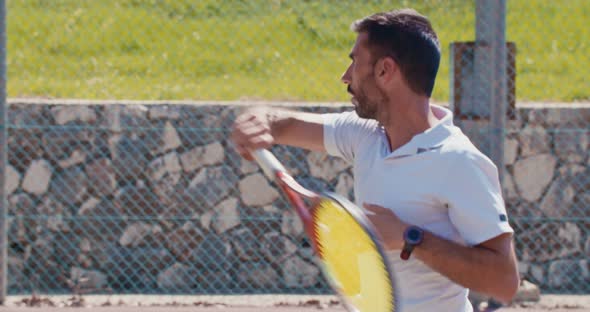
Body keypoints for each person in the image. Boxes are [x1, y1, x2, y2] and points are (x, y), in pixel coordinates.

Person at [231, 8, 519, 312]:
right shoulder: (365, 134)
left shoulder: (459, 161)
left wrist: (411, 238)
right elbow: (282, 125)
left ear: (385, 71)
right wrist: (258, 121)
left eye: (354, 62)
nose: (345, 77)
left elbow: (504, 282)